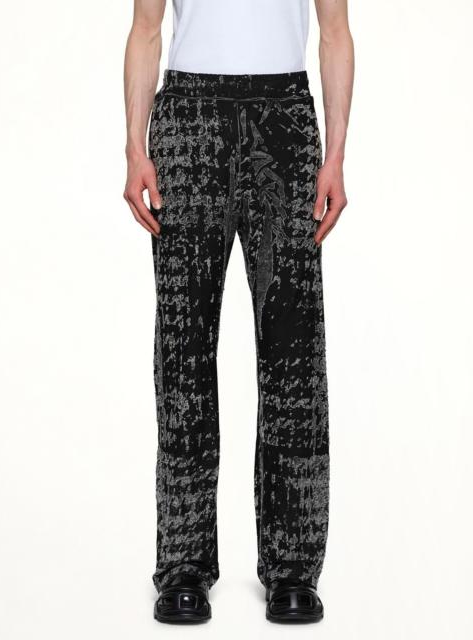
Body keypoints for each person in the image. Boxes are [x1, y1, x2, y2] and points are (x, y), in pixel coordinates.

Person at [123, 0, 354, 624]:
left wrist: (334, 154)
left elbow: (335, 32)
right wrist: (135, 146)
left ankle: (293, 567)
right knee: (184, 349)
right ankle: (183, 563)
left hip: (285, 116)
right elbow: (146, 29)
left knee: (294, 351)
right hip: (189, 116)